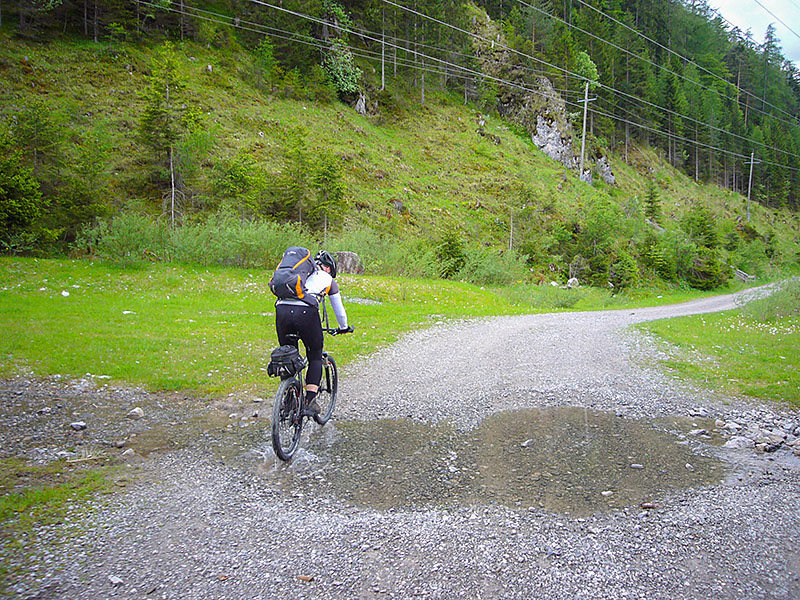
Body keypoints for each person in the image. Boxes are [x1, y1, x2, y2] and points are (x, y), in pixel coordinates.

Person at [274, 250, 351, 415]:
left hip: (282, 311)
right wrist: (343, 327)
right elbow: (338, 309)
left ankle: (289, 398)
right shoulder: (327, 279)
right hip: (306, 314)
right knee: (315, 355)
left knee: (288, 354)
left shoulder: (296, 276)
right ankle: (309, 401)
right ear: (329, 268)